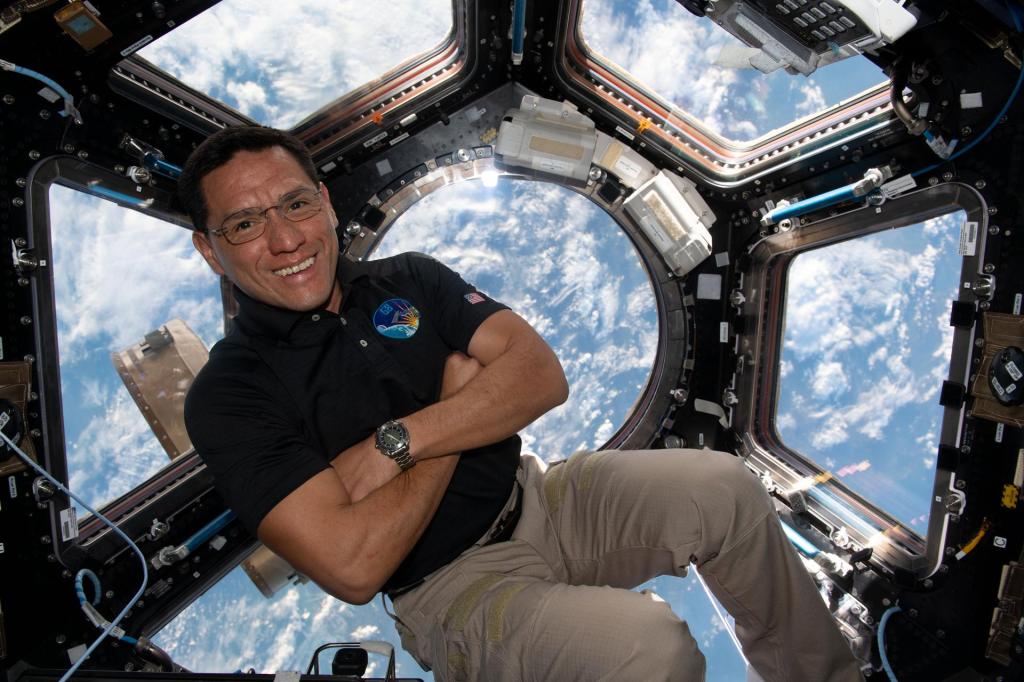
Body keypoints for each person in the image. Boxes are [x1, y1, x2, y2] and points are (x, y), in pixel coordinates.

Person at [181, 125, 863, 682]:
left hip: (545, 497)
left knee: (722, 487)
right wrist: (458, 409)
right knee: (651, 648)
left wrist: (400, 441)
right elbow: (354, 565)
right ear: (210, 252)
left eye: (296, 204)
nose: (286, 238)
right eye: (244, 223)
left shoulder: (409, 276)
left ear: (326, 203)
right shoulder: (230, 395)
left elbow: (538, 375)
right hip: (450, 589)